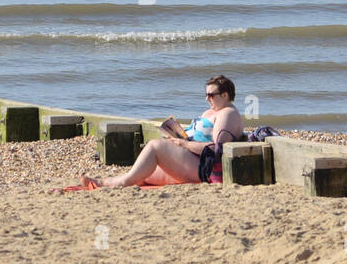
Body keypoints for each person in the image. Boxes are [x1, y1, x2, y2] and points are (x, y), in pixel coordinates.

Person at [75, 75, 244, 189]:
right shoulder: (213, 111)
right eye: (206, 94)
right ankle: (103, 183)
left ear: (225, 95)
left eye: (211, 95)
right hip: (190, 159)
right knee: (143, 174)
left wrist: (184, 143)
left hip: (202, 167)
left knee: (155, 146)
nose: (207, 98)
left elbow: (217, 149)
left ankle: (110, 183)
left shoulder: (227, 113)